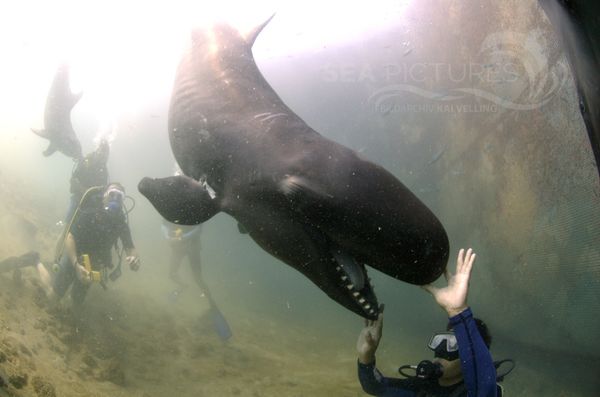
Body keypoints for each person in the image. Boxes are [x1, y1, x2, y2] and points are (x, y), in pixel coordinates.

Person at [356, 248, 500, 397]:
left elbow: (483, 388)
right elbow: (376, 386)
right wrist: (366, 358)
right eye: (441, 340)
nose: (442, 348)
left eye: (454, 343)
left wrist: (458, 312)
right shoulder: (422, 388)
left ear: (470, 355)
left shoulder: (479, 391)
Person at [38, 183, 140, 310]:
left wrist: (134, 259)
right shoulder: (90, 212)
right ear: (104, 196)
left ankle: (70, 299)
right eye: (111, 194)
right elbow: (70, 238)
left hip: (94, 264)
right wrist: (76, 265)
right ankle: (36, 262)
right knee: (53, 298)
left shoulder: (120, 223)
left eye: (119, 197)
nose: (114, 199)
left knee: (74, 304)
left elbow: (130, 248)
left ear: (123, 201)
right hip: (74, 257)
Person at [64, 139, 110, 223]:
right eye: (101, 151)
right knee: (69, 219)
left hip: (92, 202)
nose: (102, 155)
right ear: (97, 150)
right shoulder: (85, 161)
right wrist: (82, 189)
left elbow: (103, 191)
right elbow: (73, 179)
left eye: (105, 154)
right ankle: (64, 233)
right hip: (78, 197)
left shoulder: (104, 172)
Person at [161, 220, 204, 296]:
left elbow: (199, 228)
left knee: (198, 277)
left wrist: (183, 237)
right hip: (179, 245)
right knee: (172, 274)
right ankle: (184, 286)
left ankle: (212, 304)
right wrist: (167, 237)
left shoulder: (197, 211)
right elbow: (164, 224)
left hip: (192, 245)